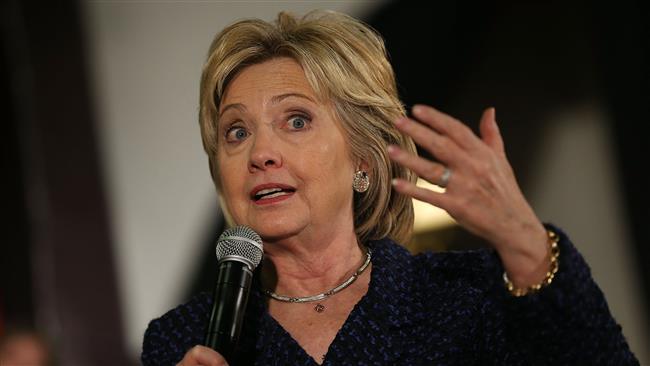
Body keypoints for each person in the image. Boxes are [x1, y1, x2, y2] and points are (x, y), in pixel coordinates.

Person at [142, 10, 639, 365]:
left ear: (362, 158)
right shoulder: (182, 341)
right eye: (236, 131)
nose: (259, 153)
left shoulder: (468, 297)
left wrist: (528, 246)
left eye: (295, 120)